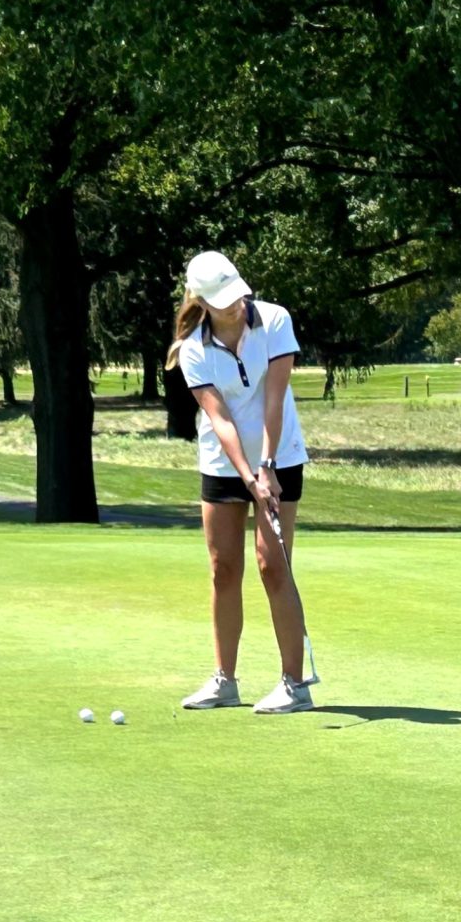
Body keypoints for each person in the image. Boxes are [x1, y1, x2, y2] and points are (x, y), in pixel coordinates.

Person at [170, 250, 316, 715]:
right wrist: (249, 476)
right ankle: (225, 681)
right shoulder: (192, 348)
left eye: (237, 295)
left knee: (274, 566)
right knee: (223, 568)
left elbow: (274, 399)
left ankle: (295, 685)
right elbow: (220, 420)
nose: (235, 305)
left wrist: (267, 466)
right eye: (223, 300)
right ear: (200, 301)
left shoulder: (275, 321)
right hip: (222, 464)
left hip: (281, 457)